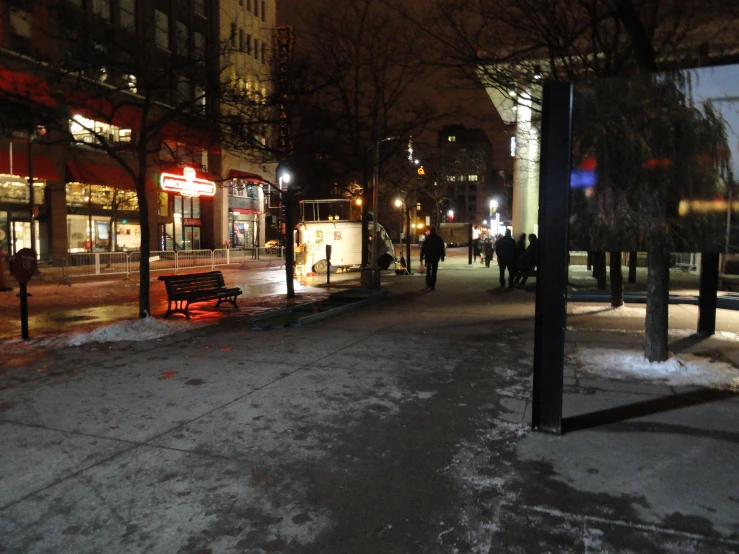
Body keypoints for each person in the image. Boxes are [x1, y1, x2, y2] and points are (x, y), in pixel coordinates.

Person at [420, 226, 446, 291]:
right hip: (435, 257)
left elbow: (423, 249)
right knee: (434, 271)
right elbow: (442, 248)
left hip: (428, 257)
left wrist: (421, 257)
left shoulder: (427, 239)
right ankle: (433, 285)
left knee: (428, 270)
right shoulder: (439, 239)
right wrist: (442, 256)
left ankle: (428, 283)